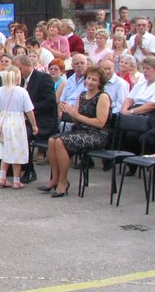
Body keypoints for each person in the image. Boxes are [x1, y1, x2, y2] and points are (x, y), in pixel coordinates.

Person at [42, 66, 111, 197]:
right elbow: (78, 120)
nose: (90, 82)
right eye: (88, 78)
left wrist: (77, 115)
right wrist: (71, 112)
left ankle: (63, 181)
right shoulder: (82, 95)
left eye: (94, 80)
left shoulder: (103, 97)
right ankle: (55, 178)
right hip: (80, 130)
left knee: (60, 141)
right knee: (52, 140)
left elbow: (100, 123)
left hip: (97, 134)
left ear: (100, 82)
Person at [0, 65, 38, 189]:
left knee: (5, 150)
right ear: (18, 78)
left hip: (2, 122)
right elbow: (29, 110)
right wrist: (34, 124)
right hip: (17, 123)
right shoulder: (22, 92)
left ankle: (2, 177)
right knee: (17, 151)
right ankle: (16, 180)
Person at [13, 55, 58, 181]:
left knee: (21, 133)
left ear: (28, 65)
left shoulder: (43, 78)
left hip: (42, 121)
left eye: (19, 68)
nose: (17, 72)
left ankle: (29, 170)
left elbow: (50, 102)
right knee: (8, 130)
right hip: (25, 120)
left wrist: (28, 110)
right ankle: (12, 168)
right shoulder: (20, 80)